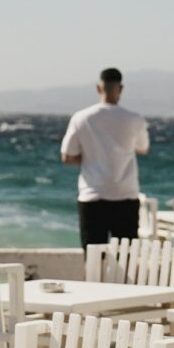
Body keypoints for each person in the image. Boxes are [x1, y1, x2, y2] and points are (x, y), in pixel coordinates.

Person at [61, 66, 151, 246]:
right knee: (126, 256)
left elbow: (67, 157)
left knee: (93, 255)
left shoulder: (81, 118)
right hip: (126, 195)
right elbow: (143, 149)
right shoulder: (134, 119)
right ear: (121, 89)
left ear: (98, 88)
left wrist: (90, 157)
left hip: (92, 195)